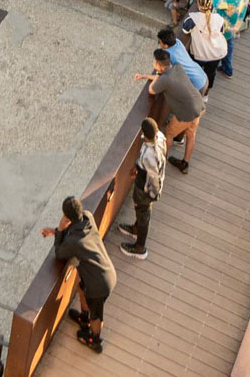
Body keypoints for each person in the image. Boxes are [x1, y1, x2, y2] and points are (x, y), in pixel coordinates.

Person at [43, 196, 114, 354]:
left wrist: (60, 230)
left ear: (67, 217)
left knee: (97, 315)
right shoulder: (87, 216)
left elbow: (60, 253)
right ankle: (84, 318)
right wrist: (55, 231)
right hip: (104, 272)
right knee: (81, 289)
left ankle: (94, 340)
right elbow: (73, 232)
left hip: (99, 284)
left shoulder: (75, 242)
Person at [140, 48, 204, 172]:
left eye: (154, 62)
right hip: (198, 104)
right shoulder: (177, 67)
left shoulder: (164, 79)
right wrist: (144, 76)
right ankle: (185, 163)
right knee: (191, 134)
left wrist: (157, 75)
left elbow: (151, 90)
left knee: (168, 133)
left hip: (187, 112)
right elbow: (161, 78)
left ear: (158, 65)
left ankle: (162, 162)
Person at [112, 118, 166, 260]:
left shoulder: (150, 155)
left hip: (146, 189)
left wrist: (151, 194)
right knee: (142, 212)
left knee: (143, 213)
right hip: (146, 183)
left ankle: (139, 247)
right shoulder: (160, 137)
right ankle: (136, 229)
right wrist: (137, 166)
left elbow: (153, 176)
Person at [212, 0, 250, 79]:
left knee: (221, 48)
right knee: (229, 45)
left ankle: (224, 68)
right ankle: (227, 68)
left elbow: (214, 0)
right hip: (236, 24)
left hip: (224, 27)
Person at [182, 4, 230, 92]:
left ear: (199, 6)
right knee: (210, 73)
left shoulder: (193, 19)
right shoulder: (218, 18)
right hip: (217, 53)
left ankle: (192, 91)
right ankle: (206, 93)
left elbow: (185, 30)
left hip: (200, 54)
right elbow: (222, 31)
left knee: (194, 73)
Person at [156, 27, 207, 96]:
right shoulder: (177, 42)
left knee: (196, 104)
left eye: (160, 42)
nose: (159, 44)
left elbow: (165, 72)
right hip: (202, 75)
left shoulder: (167, 55)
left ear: (165, 45)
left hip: (197, 84)